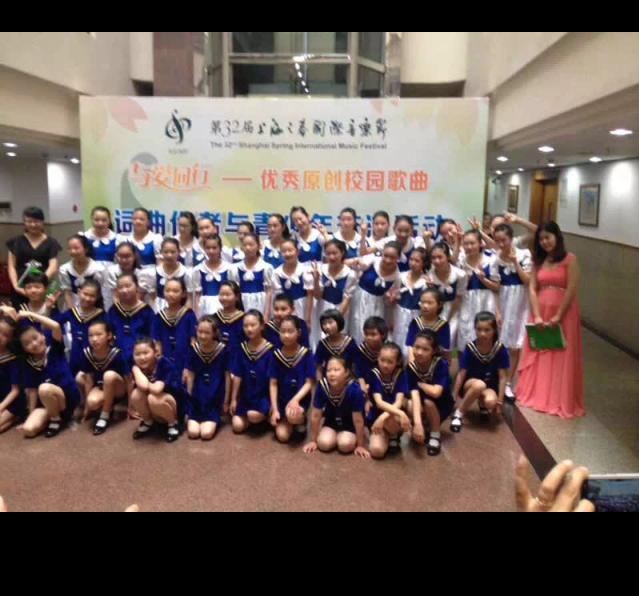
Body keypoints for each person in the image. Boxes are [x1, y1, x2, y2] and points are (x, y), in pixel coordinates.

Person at [517, 222, 585, 419]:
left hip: (565, 315)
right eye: (541, 239)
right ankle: (538, 395)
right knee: (540, 353)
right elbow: (532, 288)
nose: (544, 242)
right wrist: (537, 314)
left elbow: (571, 289)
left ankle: (557, 399)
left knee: (561, 354)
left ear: (557, 236)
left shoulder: (570, 259)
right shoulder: (539, 260)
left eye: (548, 237)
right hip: (541, 312)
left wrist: (559, 315)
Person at [451, 312, 510, 432]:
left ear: (494, 330)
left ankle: (482, 405)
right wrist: (453, 396)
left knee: (490, 402)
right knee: (479, 385)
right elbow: (461, 373)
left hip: (490, 385)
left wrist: (499, 401)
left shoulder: (500, 349)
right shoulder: (470, 348)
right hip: (470, 384)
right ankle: (459, 413)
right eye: (479, 329)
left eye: (487, 330)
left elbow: (503, 377)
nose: (482, 333)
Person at [303, 357, 370, 458]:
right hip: (331, 423)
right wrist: (313, 440)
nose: (332, 374)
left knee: (345, 445)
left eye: (336, 370)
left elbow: (358, 420)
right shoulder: (322, 386)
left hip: (350, 425)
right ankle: (336, 436)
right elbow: (316, 415)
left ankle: (346, 437)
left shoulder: (354, 389)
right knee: (323, 444)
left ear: (346, 372)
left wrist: (360, 445)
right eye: (329, 370)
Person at [6, 207, 61, 308]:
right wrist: (16, 286)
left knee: (45, 315)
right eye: (29, 221)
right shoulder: (15, 241)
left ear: (42, 222)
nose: (33, 224)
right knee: (20, 315)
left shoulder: (51, 242)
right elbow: (11, 266)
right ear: (24, 222)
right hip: (21, 288)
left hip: (44, 289)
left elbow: (53, 267)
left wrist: (39, 285)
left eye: (36, 221)